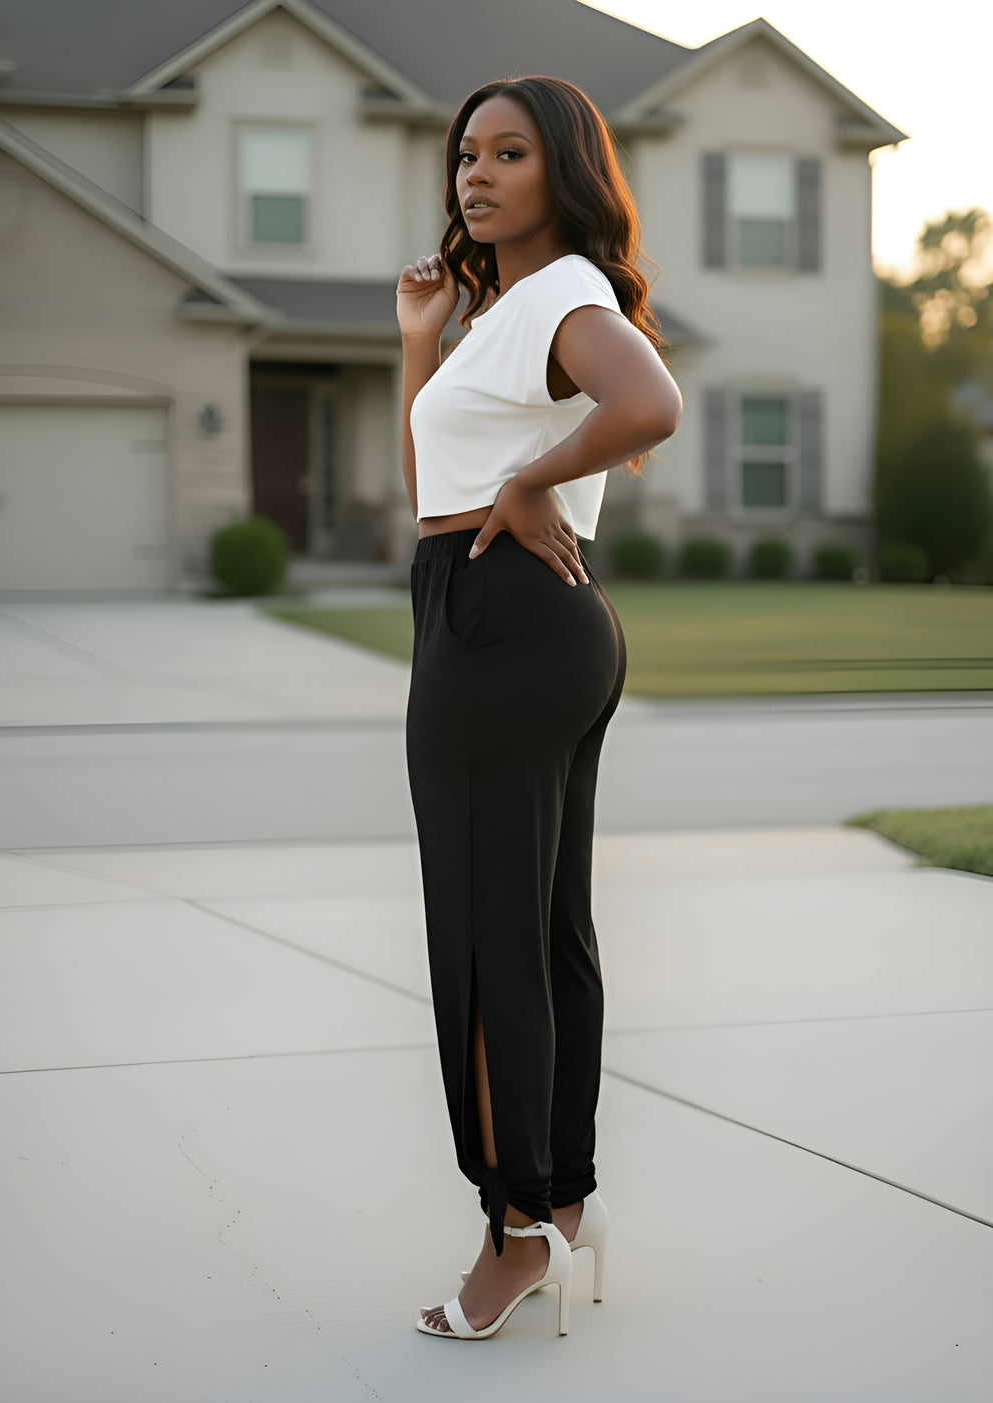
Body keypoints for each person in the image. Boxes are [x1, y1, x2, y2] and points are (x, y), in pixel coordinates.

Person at [397, 75, 682, 1341]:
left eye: (507, 152)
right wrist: (422, 342)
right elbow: (432, 487)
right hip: (522, 618)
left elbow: (648, 405)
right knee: (546, 931)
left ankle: (511, 1235)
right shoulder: (512, 312)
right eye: (467, 153)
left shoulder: (567, 292)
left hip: (505, 618)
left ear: (562, 171)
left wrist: (529, 480)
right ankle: (563, 1204)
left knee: (483, 939)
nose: (476, 171)